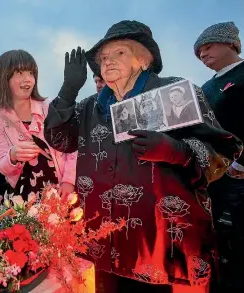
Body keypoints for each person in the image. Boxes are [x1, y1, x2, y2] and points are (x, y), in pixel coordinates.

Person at [43, 20, 243, 293]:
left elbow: (221, 150)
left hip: (165, 253)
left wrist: (177, 151)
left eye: (120, 53)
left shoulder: (175, 93)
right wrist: (67, 92)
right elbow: (59, 140)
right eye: (103, 57)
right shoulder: (91, 106)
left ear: (144, 60)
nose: (108, 61)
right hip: (104, 247)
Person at [0, 49, 77, 200]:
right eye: (19, 73)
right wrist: (13, 155)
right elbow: (3, 167)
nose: (27, 79)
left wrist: (69, 181)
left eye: (31, 73)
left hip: (60, 190)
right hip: (25, 197)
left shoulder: (49, 108)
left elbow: (71, 148)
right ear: (3, 78)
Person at [194, 21, 244, 291]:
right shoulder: (204, 88)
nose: (202, 53)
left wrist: (241, 163)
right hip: (212, 176)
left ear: (231, 43)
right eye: (199, 51)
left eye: (208, 46)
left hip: (239, 174)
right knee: (217, 236)